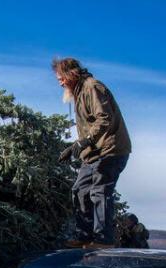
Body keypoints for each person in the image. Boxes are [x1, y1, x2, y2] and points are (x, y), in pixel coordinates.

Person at [54, 57, 131, 248]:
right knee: (79, 190)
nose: (59, 82)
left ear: (71, 74)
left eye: (61, 78)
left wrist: (85, 141)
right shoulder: (80, 93)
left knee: (100, 191)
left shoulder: (92, 87)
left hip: (110, 150)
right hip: (94, 153)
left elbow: (104, 118)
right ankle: (84, 236)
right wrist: (74, 148)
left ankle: (103, 240)